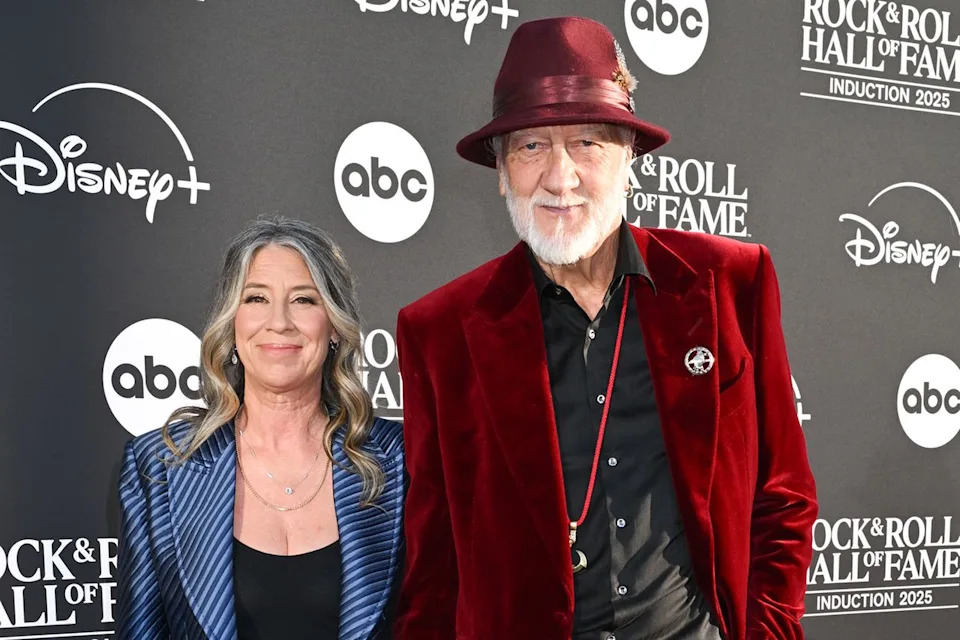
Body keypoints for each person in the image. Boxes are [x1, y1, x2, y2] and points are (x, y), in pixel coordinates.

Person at [394, 16, 817, 640]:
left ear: (629, 157)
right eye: (531, 146)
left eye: (587, 143)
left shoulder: (729, 283)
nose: (559, 177)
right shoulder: (441, 331)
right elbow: (433, 559)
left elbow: (783, 495)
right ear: (503, 170)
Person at [116, 217, 404, 640]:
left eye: (304, 300)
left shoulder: (400, 458)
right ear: (232, 324)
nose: (279, 322)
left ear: (335, 328)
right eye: (256, 298)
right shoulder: (161, 466)